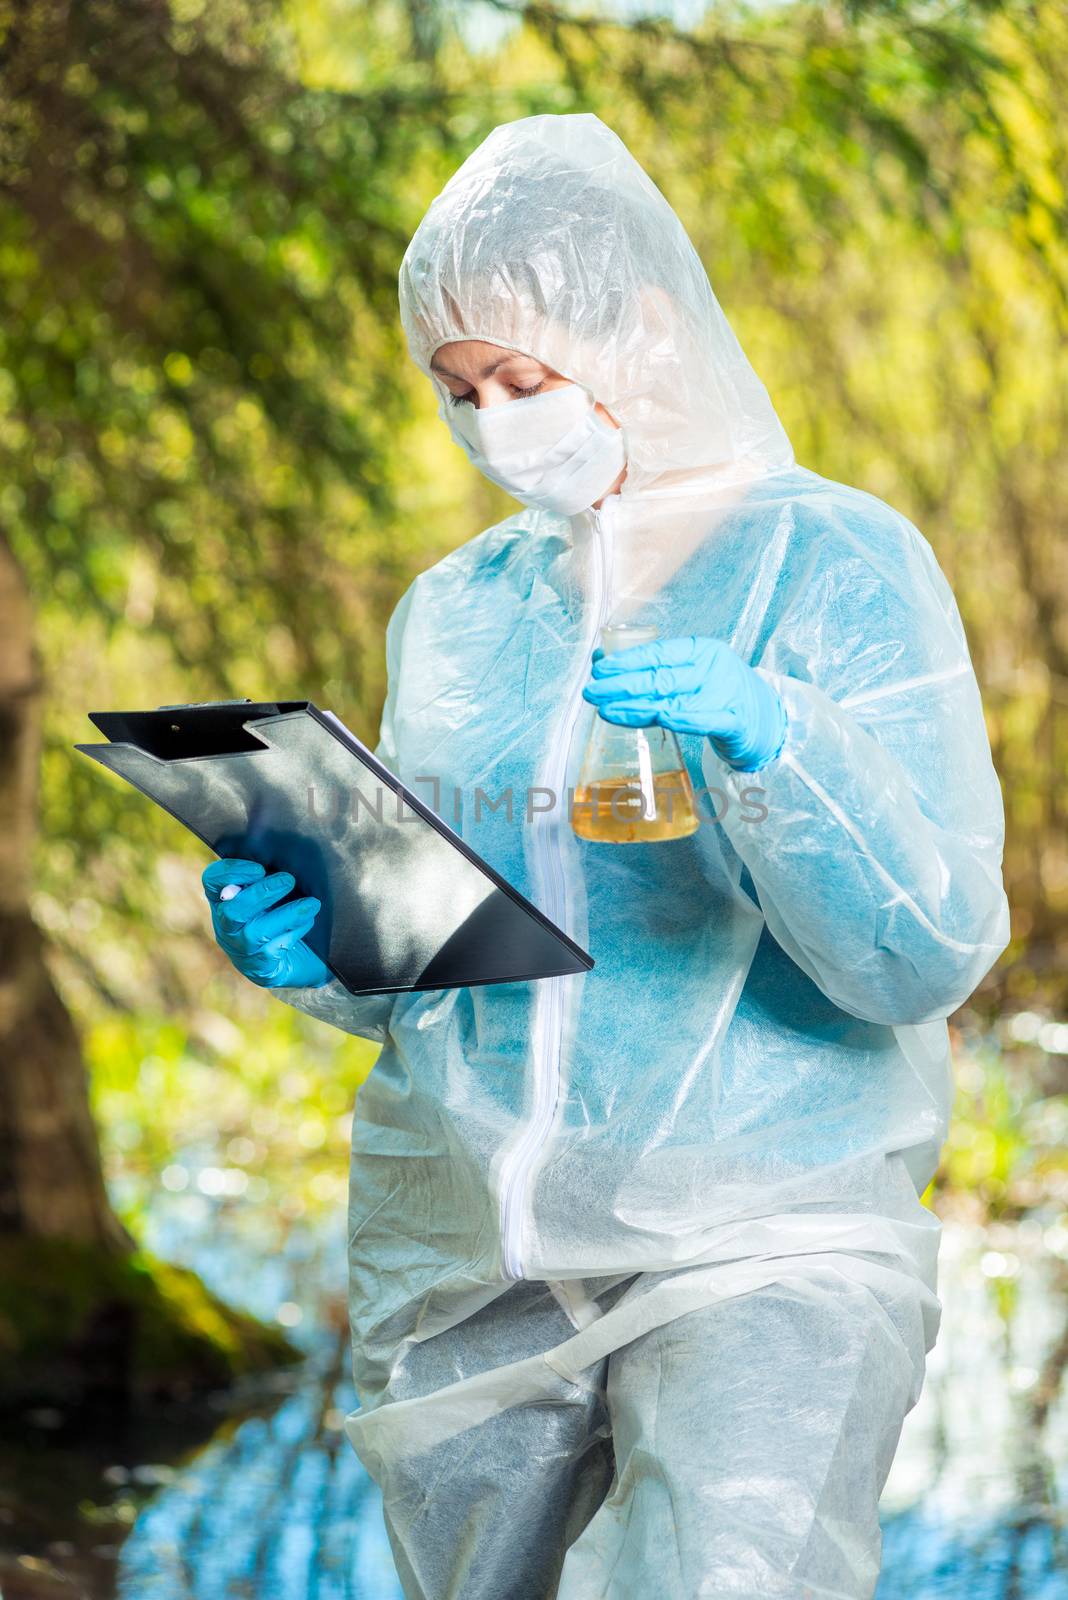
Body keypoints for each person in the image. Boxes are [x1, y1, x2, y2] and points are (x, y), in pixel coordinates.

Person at [202, 113, 1010, 1599]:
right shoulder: (457, 610)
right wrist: (319, 941)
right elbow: (451, 961)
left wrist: (782, 744)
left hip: (766, 1236)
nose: (495, 419)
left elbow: (932, 948)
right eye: (459, 390)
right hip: (468, 1256)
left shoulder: (837, 561)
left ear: (641, 326)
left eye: (523, 375)